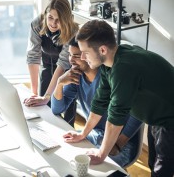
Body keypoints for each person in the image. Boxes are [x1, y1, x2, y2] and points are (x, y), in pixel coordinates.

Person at [66, 19, 173, 177]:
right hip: (157, 118)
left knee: (161, 172)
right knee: (154, 165)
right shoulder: (109, 64)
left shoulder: (124, 68)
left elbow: (116, 116)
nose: (82, 57)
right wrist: (83, 134)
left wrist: (102, 154)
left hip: (170, 120)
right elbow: (99, 103)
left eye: (85, 52)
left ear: (102, 50)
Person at [51, 39, 143, 168]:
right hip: (94, 134)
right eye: (70, 55)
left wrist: (119, 143)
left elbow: (139, 112)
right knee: (60, 150)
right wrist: (59, 83)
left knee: (87, 168)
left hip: (119, 142)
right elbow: (57, 109)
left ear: (90, 55)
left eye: (77, 55)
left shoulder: (111, 76)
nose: (71, 60)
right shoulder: (76, 76)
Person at [24, 0, 79, 115]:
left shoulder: (72, 31)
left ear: (66, 20)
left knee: (64, 108)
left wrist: (47, 96)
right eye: (50, 17)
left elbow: (63, 63)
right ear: (45, 14)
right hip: (47, 65)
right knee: (43, 106)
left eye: (58, 20)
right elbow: (33, 57)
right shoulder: (37, 24)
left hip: (67, 70)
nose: (53, 24)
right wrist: (35, 93)